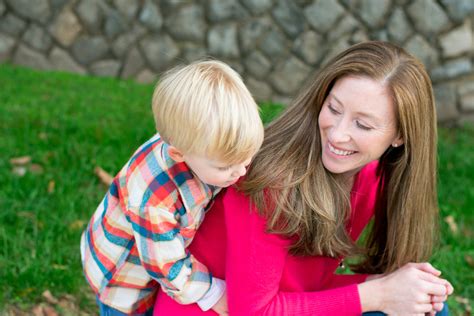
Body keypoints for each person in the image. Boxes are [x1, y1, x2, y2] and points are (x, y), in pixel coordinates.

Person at [152, 41, 453, 315]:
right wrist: (378, 294)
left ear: (400, 136)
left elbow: (304, 286)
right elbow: (253, 310)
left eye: (362, 124)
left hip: (284, 303)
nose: (337, 134)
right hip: (213, 311)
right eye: (333, 108)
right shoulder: (271, 181)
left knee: (427, 306)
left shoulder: (373, 176)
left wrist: (396, 287)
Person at [80, 60, 264, 315]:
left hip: (154, 250)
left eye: (246, 157)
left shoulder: (200, 144)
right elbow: (166, 266)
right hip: (124, 282)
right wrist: (213, 292)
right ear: (179, 154)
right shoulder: (154, 203)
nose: (241, 171)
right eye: (225, 167)